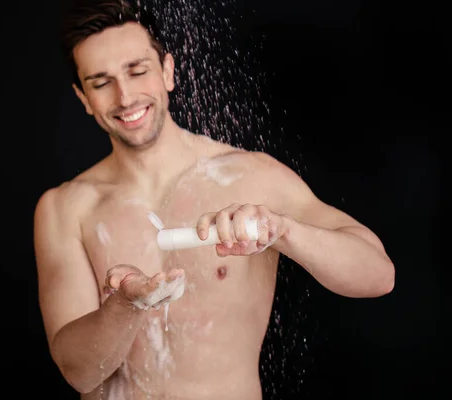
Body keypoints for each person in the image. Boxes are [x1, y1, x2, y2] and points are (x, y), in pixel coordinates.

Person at [33, 0, 395, 398]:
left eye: (137, 71)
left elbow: (378, 275)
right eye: (101, 83)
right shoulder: (66, 208)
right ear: (83, 97)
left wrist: (284, 230)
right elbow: (79, 373)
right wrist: (124, 307)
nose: (125, 96)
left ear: (168, 71)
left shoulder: (251, 175)